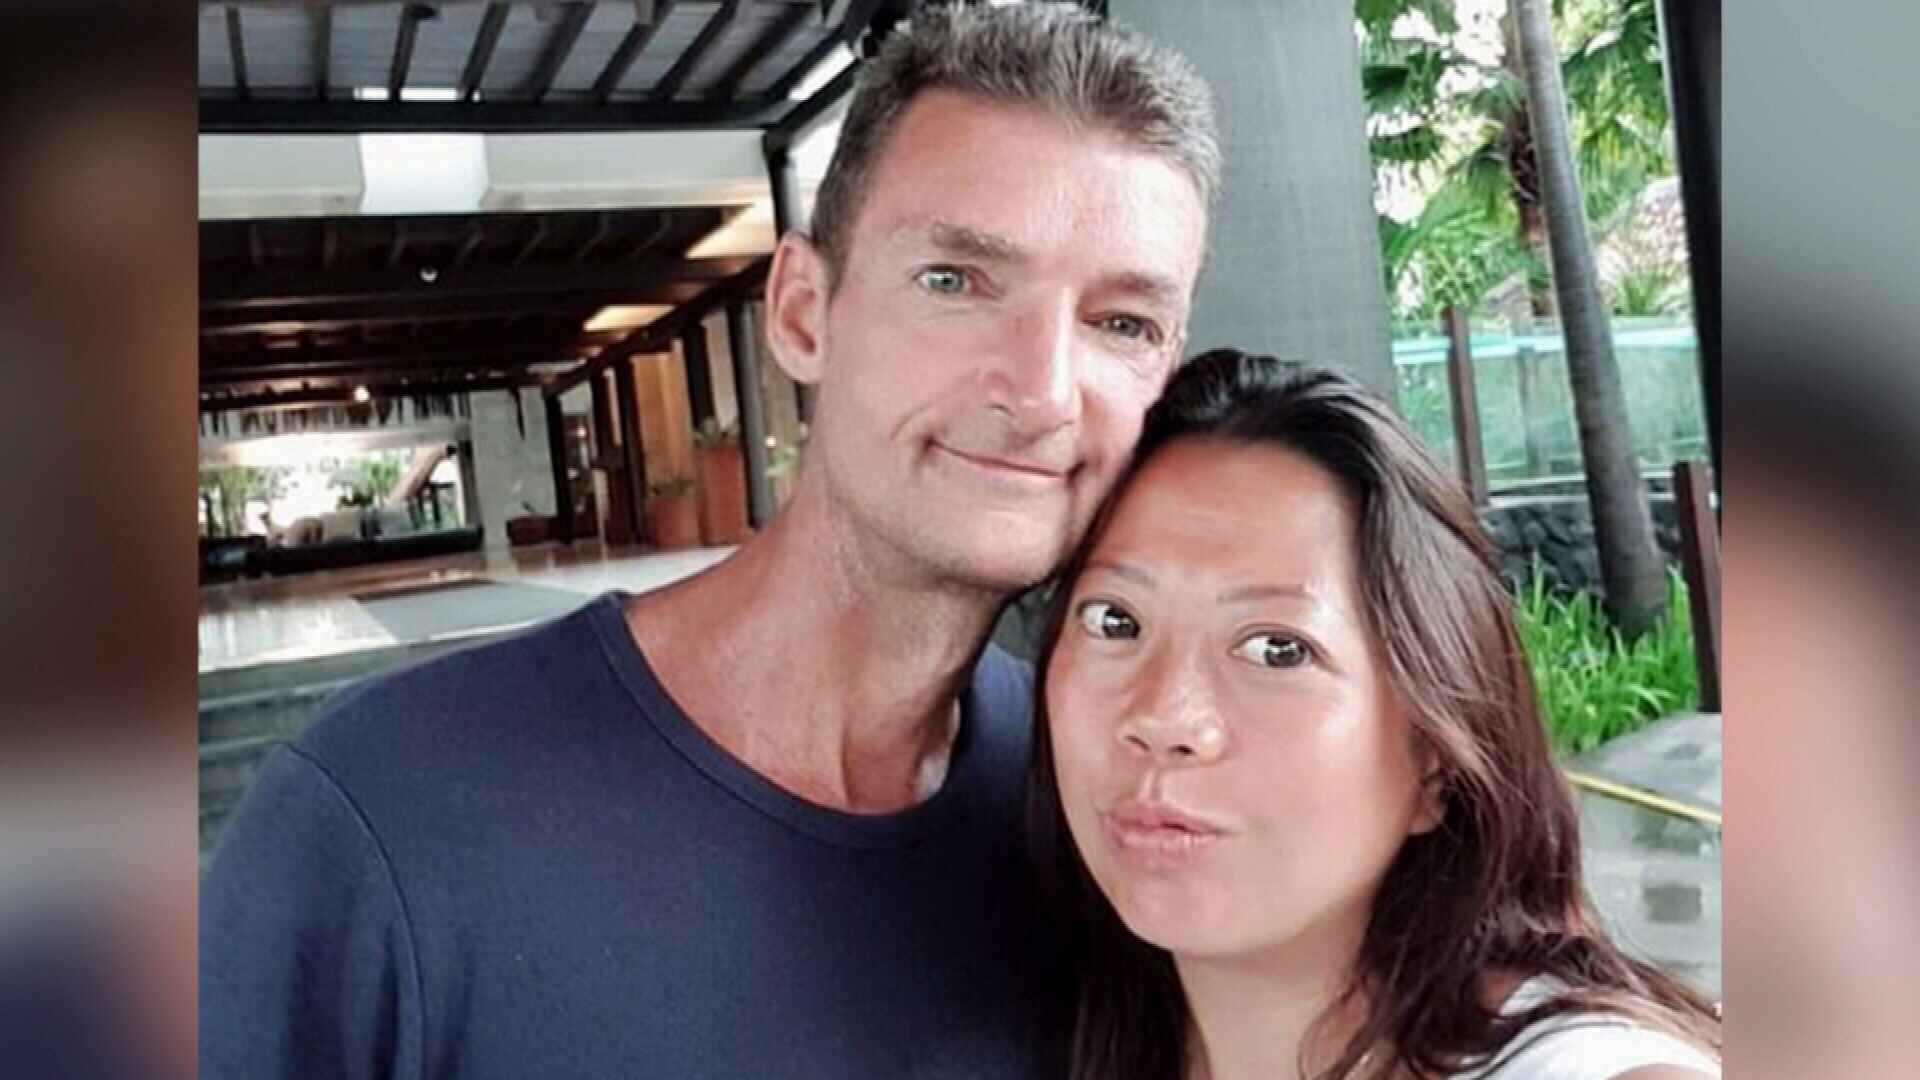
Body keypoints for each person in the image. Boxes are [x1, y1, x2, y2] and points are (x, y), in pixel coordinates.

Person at [199, 5, 1216, 1080]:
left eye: (1123, 324)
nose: (1044, 393)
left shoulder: (1106, 803)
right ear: (803, 313)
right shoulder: (385, 817)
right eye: (954, 281)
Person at [1032, 350, 1721, 1080]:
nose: (1165, 718)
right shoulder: (1050, 1026)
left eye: (1277, 650)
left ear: (1435, 757)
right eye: (1114, 621)